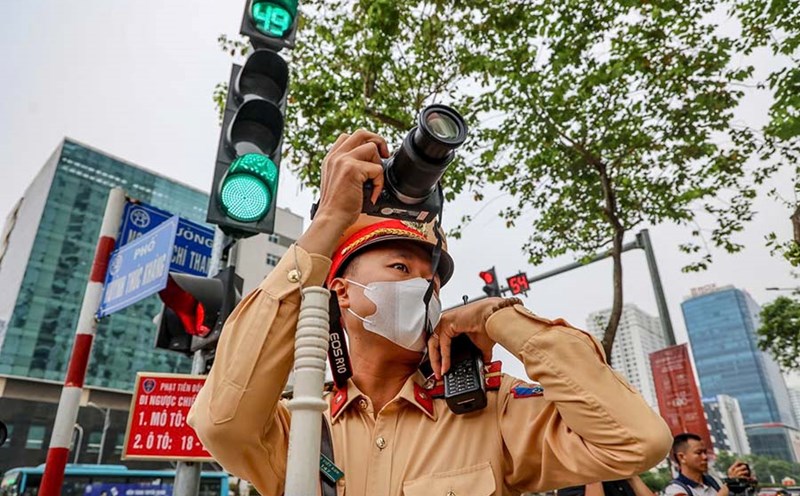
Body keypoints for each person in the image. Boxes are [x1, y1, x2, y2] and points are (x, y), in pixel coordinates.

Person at [187, 129, 673, 496]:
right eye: (400, 267)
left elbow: (638, 442)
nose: (423, 286)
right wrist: (328, 224)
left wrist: (498, 317)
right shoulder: (300, 424)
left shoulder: (492, 409)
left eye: (434, 279)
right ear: (341, 291)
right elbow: (221, 421)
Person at [665, 433, 752, 496]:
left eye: (705, 452)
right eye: (698, 453)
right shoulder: (675, 490)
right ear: (681, 457)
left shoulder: (714, 481)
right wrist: (729, 484)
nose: (705, 457)